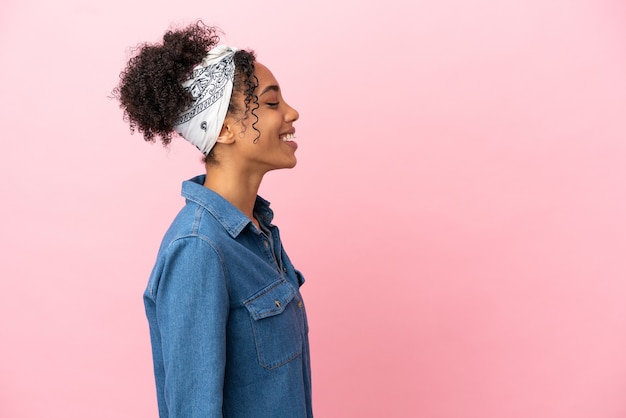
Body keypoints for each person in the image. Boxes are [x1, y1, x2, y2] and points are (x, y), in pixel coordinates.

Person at [115, 21, 312, 417]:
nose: (292, 112)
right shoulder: (199, 250)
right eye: (271, 104)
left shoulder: (259, 234)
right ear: (223, 129)